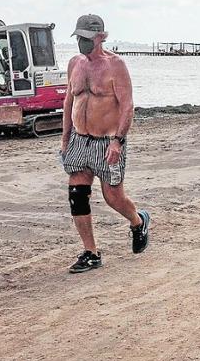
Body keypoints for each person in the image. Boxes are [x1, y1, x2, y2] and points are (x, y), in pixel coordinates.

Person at [60, 14, 149, 273]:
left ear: (101, 37)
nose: (82, 42)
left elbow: (127, 106)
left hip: (107, 143)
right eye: (79, 37)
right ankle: (91, 253)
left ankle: (138, 221)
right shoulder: (75, 64)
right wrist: (65, 139)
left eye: (87, 38)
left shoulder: (115, 65)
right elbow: (68, 102)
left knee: (113, 198)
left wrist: (118, 142)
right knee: (77, 196)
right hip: (79, 140)